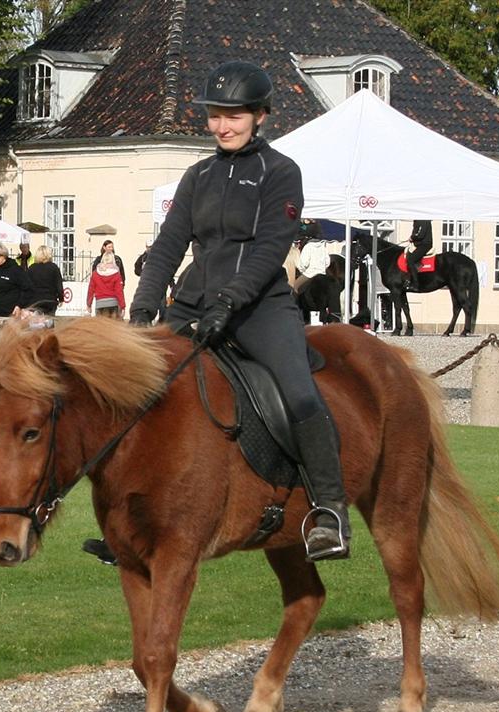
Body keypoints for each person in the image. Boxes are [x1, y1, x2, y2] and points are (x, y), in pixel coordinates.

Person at [129, 60, 351, 561]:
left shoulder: (281, 172)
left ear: (260, 116)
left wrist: (230, 300)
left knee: (299, 395)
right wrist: (143, 309)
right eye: (215, 115)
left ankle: (331, 512)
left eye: (234, 115)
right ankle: (136, 518)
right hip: (192, 301)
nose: (222, 125)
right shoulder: (198, 175)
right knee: (133, 391)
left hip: (261, 307)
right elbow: (168, 246)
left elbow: (272, 248)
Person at [0, 243, 31, 337]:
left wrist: (19, 305)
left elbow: (27, 289)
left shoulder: (15, 270)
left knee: (10, 344)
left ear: (2, 256)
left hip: (9, 316)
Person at [25, 244, 63, 314]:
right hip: (50, 300)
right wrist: (61, 299)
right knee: (49, 322)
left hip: (35, 301)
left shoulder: (31, 268)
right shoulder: (54, 267)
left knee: (36, 323)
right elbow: (59, 286)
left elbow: (27, 286)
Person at [86, 252, 125, 318]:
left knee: (100, 327)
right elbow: (119, 291)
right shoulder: (116, 274)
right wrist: (122, 306)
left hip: (100, 304)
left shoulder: (95, 273)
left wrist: (89, 305)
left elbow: (91, 290)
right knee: (113, 327)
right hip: (113, 304)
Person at [404, 219, 432, 288]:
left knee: (410, 260)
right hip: (419, 244)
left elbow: (420, 234)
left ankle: (415, 284)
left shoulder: (422, 219)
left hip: (425, 244)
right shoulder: (417, 220)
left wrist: (412, 238)